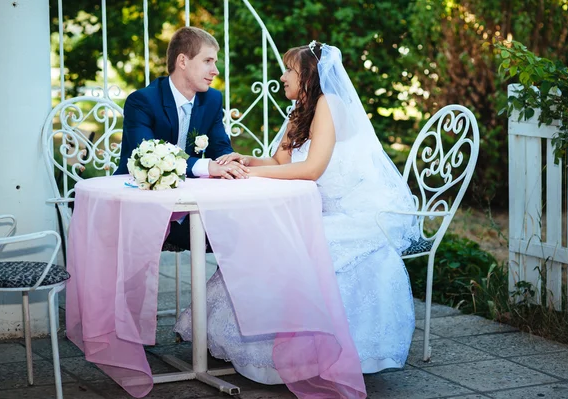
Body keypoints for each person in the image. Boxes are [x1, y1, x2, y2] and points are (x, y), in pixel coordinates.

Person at [174, 41, 419, 382]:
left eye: (290, 69)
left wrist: (251, 173)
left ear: (309, 76)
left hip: (354, 214)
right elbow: (280, 163)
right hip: (316, 209)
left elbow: (312, 169)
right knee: (264, 242)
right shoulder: (300, 110)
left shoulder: (329, 105)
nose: (283, 75)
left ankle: (312, 354)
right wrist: (245, 160)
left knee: (291, 250)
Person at [114, 26, 248, 249]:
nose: (215, 70)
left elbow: (220, 146)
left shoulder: (212, 99)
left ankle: (218, 285)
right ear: (183, 61)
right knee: (230, 235)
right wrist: (207, 166)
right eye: (208, 61)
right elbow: (148, 157)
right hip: (142, 207)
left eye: (215, 62)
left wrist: (230, 163)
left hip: (191, 207)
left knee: (242, 231)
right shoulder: (142, 102)